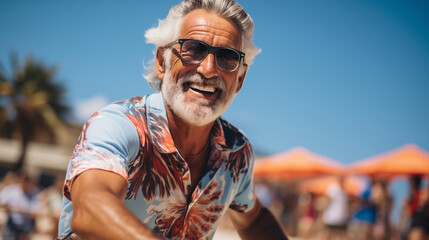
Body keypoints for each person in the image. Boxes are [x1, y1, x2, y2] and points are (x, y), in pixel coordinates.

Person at [57, 0, 287, 239]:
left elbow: (254, 220)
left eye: (227, 57)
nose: (208, 69)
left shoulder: (236, 152)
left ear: (239, 79)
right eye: (194, 49)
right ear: (161, 62)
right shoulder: (119, 125)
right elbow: (90, 209)